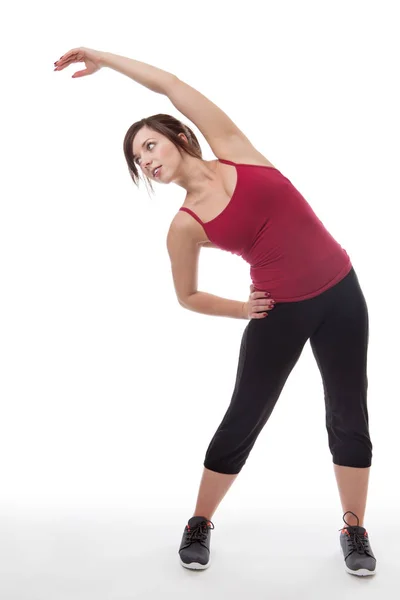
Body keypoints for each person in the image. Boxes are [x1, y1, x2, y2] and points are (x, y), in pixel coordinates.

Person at [54, 47, 377, 577]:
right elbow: (187, 296)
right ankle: (199, 522)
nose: (147, 161)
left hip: (343, 294)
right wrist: (242, 309)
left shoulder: (233, 148)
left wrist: (104, 61)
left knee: (349, 415)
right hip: (279, 314)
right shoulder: (184, 227)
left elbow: (169, 82)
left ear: (178, 136)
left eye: (150, 146)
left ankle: (355, 529)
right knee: (243, 418)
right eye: (138, 160)